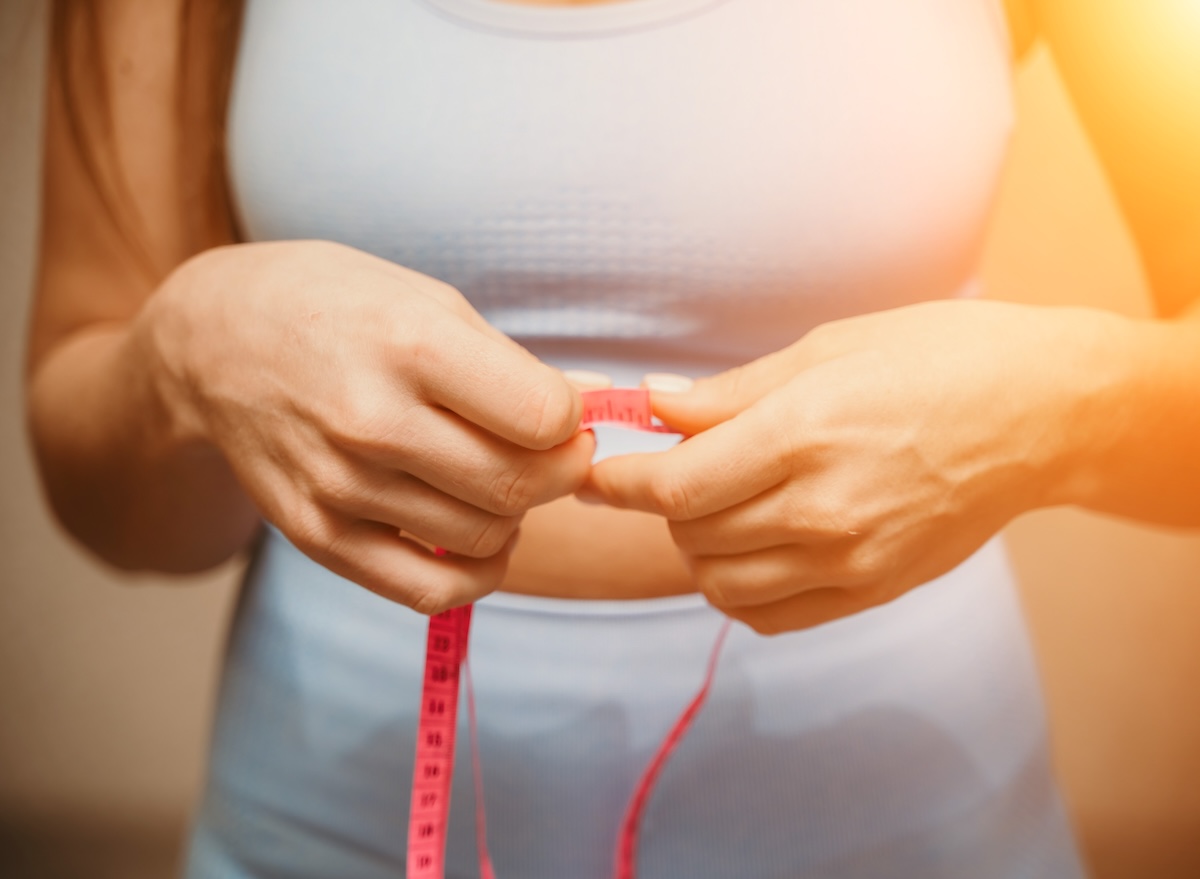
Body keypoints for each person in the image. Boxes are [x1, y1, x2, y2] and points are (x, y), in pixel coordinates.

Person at [27, 0, 1200, 876]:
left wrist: (1066, 403)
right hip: (323, 825)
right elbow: (114, 500)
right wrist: (182, 351)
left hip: (919, 821)